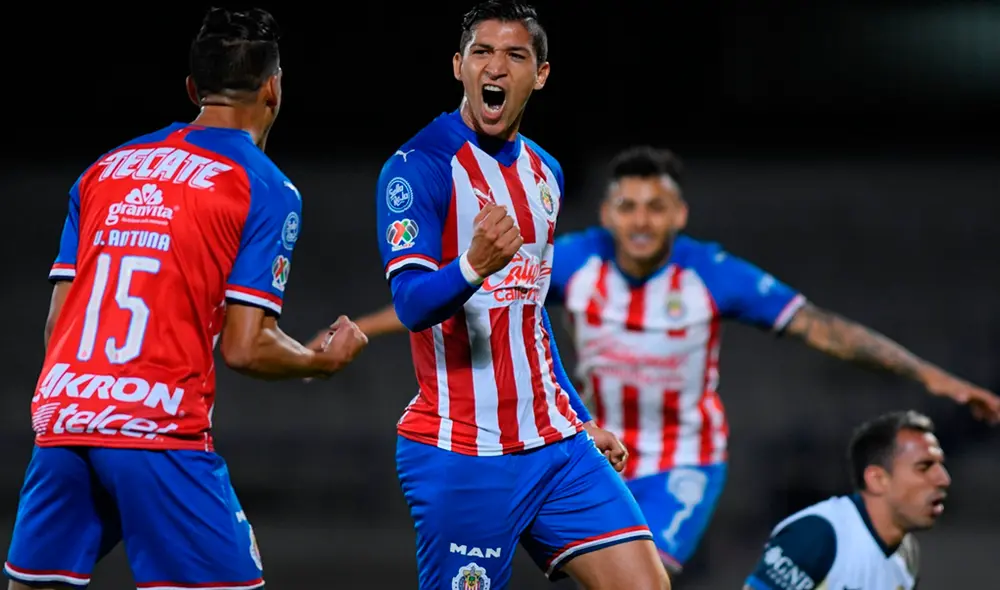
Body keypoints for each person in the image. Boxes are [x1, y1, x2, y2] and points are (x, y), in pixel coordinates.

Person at [358, 145, 1000, 575]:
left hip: (681, 459)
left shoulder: (711, 274)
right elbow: (465, 298)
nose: (642, 220)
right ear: (607, 212)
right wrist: (362, 329)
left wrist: (931, 376)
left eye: (656, 207)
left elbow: (819, 328)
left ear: (679, 214)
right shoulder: (574, 260)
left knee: (649, 573)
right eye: (628, 206)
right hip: (583, 448)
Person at [3, 8, 368, 590]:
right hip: (154, 429)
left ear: (194, 89)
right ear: (273, 88)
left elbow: (58, 327)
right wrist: (317, 361)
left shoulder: (105, 169)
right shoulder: (264, 186)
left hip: (64, 420)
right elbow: (245, 348)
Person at [375, 2, 670, 589]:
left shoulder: (545, 173)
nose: (496, 67)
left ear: (540, 74)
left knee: (647, 585)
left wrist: (581, 419)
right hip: (465, 450)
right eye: (482, 53)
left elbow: (528, 315)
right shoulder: (418, 168)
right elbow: (410, 304)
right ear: (459, 66)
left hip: (556, 443)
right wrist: (471, 265)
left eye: (515, 56)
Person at [743, 410, 948, 590]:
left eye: (940, 465)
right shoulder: (818, 534)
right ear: (877, 479)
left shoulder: (907, 552)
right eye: (924, 467)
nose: (943, 479)